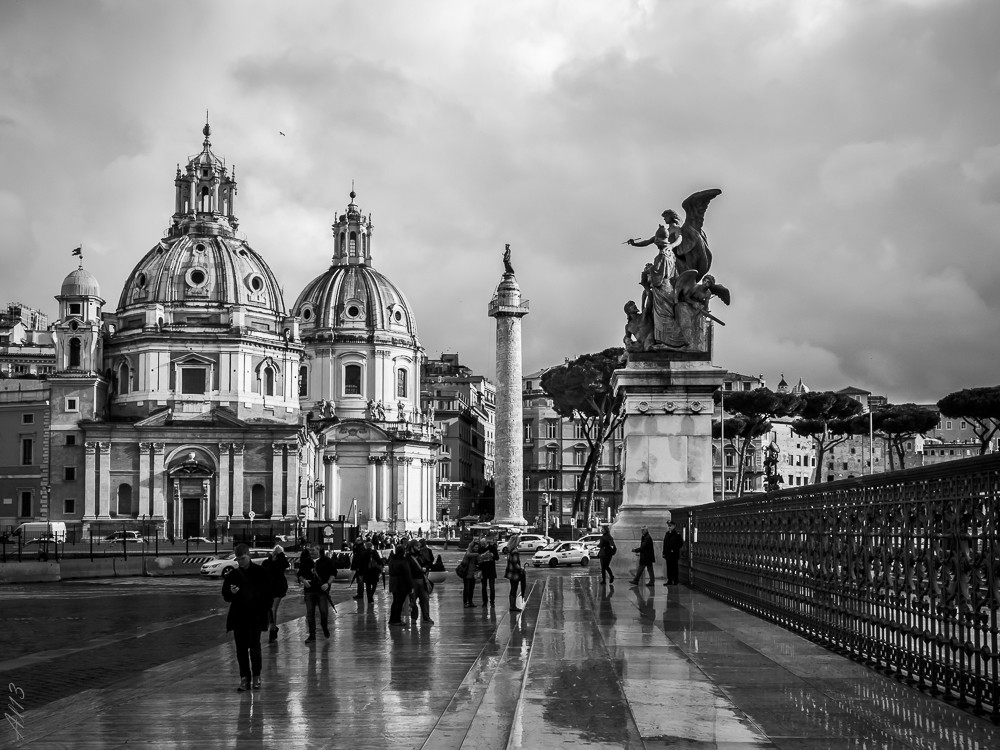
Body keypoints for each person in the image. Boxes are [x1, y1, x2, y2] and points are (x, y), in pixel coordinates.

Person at [222, 543, 272, 691]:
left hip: (255, 616)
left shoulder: (261, 572)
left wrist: (263, 611)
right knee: (241, 649)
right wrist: (232, 593)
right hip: (239, 617)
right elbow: (226, 596)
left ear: (248, 555)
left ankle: (256, 676)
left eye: (242, 558)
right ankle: (244, 678)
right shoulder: (233, 574)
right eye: (238, 559)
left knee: (255, 647)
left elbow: (269, 595)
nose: (240, 562)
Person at [297, 545, 335, 643]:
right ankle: (312, 635)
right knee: (310, 613)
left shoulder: (327, 561)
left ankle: (324, 626)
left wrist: (327, 584)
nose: (311, 552)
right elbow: (300, 574)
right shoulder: (306, 562)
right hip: (309, 590)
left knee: (323, 611)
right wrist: (303, 581)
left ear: (318, 550)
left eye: (313, 550)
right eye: (310, 551)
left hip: (322, 591)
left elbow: (333, 573)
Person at [260, 544, 290, 643]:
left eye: (278, 552)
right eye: (275, 551)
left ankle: (272, 631)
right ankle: (273, 628)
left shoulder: (281, 562)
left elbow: (285, 565)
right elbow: (263, 572)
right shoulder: (267, 562)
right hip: (268, 588)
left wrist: (281, 554)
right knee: (269, 609)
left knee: (273, 608)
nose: (275, 553)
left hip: (278, 587)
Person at [406, 540, 434, 623]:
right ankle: (414, 618)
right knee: (413, 600)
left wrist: (426, 567)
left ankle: (426, 617)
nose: (419, 548)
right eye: (416, 546)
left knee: (425, 599)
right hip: (413, 580)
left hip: (422, 580)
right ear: (412, 547)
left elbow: (429, 563)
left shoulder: (421, 555)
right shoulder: (408, 557)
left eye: (419, 546)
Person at [387, 544, 413, 626]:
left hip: (393, 583)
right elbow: (407, 574)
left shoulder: (392, 560)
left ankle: (392, 619)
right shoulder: (403, 561)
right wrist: (411, 585)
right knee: (399, 602)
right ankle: (397, 620)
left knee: (395, 602)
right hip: (402, 583)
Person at [504, 532, 527, 612]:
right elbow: (515, 562)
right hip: (514, 573)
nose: (519, 542)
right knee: (514, 588)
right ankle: (513, 606)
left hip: (510, 572)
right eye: (519, 541)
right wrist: (520, 569)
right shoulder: (515, 551)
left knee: (512, 589)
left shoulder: (510, 550)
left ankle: (512, 605)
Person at [479, 535, 499, 608]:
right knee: (483, 587)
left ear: (486, 542)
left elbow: (497, 558)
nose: (482, 545)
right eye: (481, 544)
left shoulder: (492, 548)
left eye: (483, 543)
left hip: (491, 569)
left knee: (491, 586)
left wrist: (492, 555)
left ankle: (492, 602)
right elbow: (478, 558)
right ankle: (485, 602)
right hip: (483, 570)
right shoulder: (480, 549)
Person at [461, 541, 481, 608]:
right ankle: (465, 602)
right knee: (466, 589)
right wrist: (476, 554)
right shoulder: (469, 553)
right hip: (467, 573)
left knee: (471, 588)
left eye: (477, 547)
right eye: (475, 547)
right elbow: (467, 555)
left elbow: (478, 562)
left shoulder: (475, 554)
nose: (477, 548)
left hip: (473, 573)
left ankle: (470, 601)